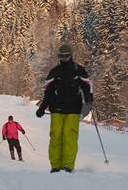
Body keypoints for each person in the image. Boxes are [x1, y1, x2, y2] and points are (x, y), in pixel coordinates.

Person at [36, 44, 93, 173]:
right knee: (56, 135)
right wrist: (42, 107)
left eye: (66, 56)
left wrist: (89, 97)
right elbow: (48, 92)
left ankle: (68, 165)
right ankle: (55, 166)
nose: (63, 58)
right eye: (60, 56)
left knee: (69, 136)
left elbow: (86, 86)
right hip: (57, 108)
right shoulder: (55, 71)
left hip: (73, 109)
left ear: (70, 55)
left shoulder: (79, 70)